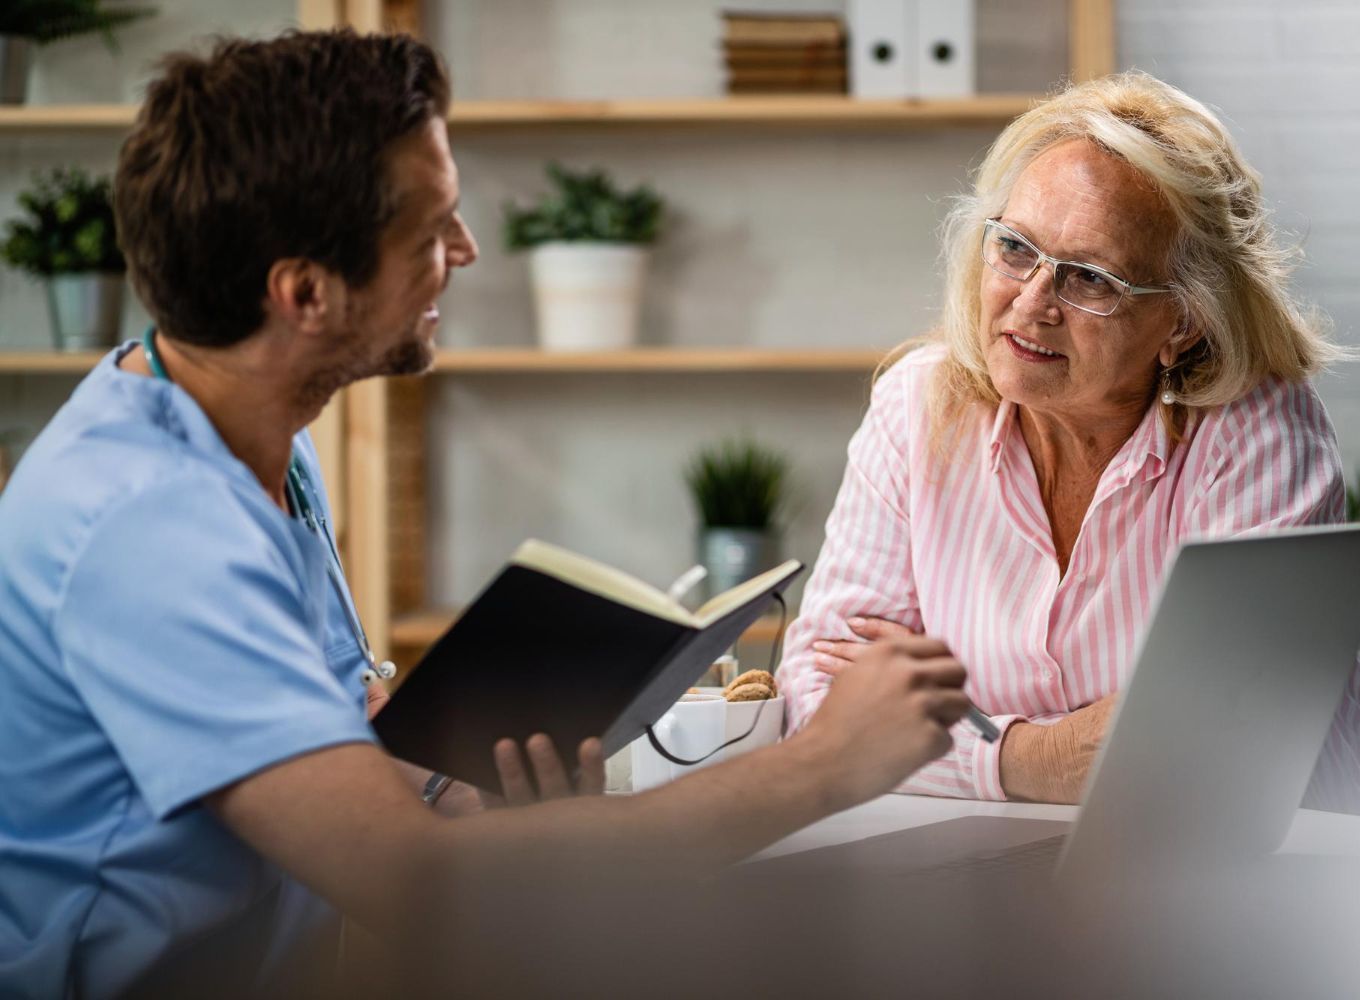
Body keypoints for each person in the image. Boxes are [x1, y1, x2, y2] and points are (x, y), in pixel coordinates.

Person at [0, 31, 975, 998]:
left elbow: (340, 740)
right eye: (431, 230)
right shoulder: (148, 529)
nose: (465, 251)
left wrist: (458, 786)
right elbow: (423, 890)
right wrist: (826, 764)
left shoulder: (254, 432)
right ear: (305, 292)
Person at [777, 71, 1360, 818]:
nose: (1032, 302)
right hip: (1016, 873)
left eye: (1090, 279)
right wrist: (1033, 759)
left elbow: (1219, 752)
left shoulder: (1256, 426)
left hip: (1313, 872)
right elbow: (822, 709)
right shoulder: (917, 406)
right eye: (1015, 249)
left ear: (1184, 321)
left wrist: (945, 741)